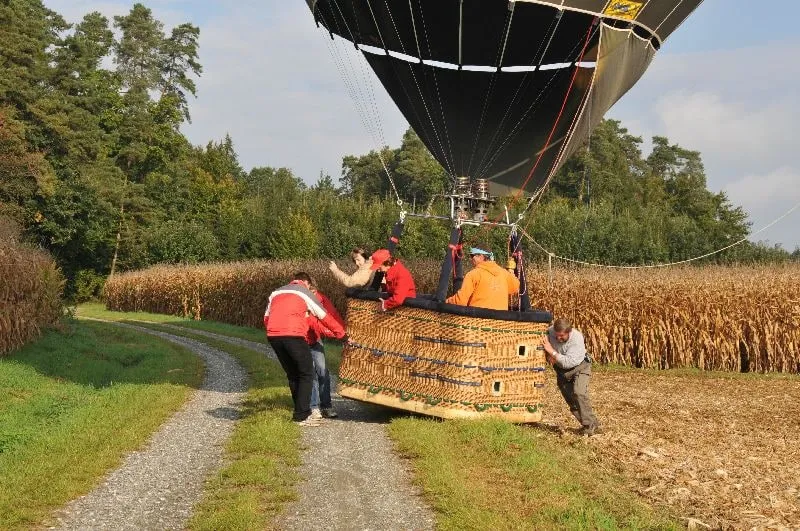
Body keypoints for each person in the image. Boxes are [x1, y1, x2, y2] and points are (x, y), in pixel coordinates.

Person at [263, 272, 345, 426]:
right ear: (305, 282)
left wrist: (275, 332)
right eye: (309, 285)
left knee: (293, 375)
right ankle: (303, 415)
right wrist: (341, 334)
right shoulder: (303, 291)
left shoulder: (276, 292)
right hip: (293, 336)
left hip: (273, 336)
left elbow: (266, 318)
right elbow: (324, 315)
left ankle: (299, 411)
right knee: (307, 374)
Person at [541, 318, 601, 436]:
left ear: (569, 331)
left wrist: (552, 352)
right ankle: (589, 425)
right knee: (571, 400)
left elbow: (568, 362)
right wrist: (547, 354)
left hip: (580, 367)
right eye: (556, 335)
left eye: (562, 336)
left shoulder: (577, 339)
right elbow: (542, 335)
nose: (558, 338)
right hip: (562, 371)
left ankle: (591, 425)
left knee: (579, 393)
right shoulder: (551, 331)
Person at [306, 281, 345, 419]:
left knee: (323, 372)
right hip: (302, 341)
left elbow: (331, 315)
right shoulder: (301, 301)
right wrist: (337, 334)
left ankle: (326, 406)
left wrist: (341, 330)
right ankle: (314, 406)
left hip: (315, 339)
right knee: (310, 374)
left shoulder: (322, 299)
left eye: (315, 292)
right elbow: (314, 324)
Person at [446, 246, 520, 311]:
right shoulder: (504, 273)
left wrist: (446, 302)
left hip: (478, 322)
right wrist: (511, 271)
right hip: (500, 322)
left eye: (472, 256)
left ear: (481, 256)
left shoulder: (473, 274)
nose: (471, 259)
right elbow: (515, 287)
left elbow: (460, 301)